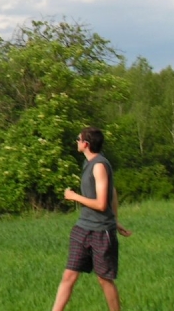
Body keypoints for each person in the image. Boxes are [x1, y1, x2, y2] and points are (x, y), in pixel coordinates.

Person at [52, 126, 132, 311]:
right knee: (69, 276)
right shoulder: (88, 163)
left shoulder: (99, 166)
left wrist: (74, 197)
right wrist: (116, 220)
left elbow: (102, 203)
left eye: (78, 139)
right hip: (82, 228)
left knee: (104, 279)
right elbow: (112, 191)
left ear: (85, 144)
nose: (76, 142)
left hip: (101, 232)